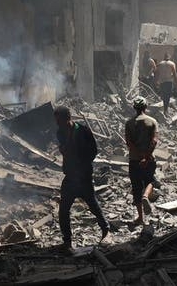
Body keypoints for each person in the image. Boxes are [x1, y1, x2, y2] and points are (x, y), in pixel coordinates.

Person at [54, 106, 110, 251]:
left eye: (59, 120)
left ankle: (105, 229)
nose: (58, 123)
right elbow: (65, 149)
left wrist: (82, 162)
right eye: (57, 121)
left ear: (68, 118)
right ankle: (67, 241)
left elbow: (93, 150)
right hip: (70, 176)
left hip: (83, 176)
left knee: (92, 204)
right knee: (63, 210)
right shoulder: (60, 132)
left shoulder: (83, 131)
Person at [124, 97, 158, 225]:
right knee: (151, 180)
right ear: (145, 107)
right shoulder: (152, 121)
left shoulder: (129, 123)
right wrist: (146, 156)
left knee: (136, 187)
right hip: (149, 159)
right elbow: (154, 141)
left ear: (134, 108)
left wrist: (139, 156)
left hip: (134, 160)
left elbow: (129, 143)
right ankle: (146, 196)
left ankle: (140, 217)